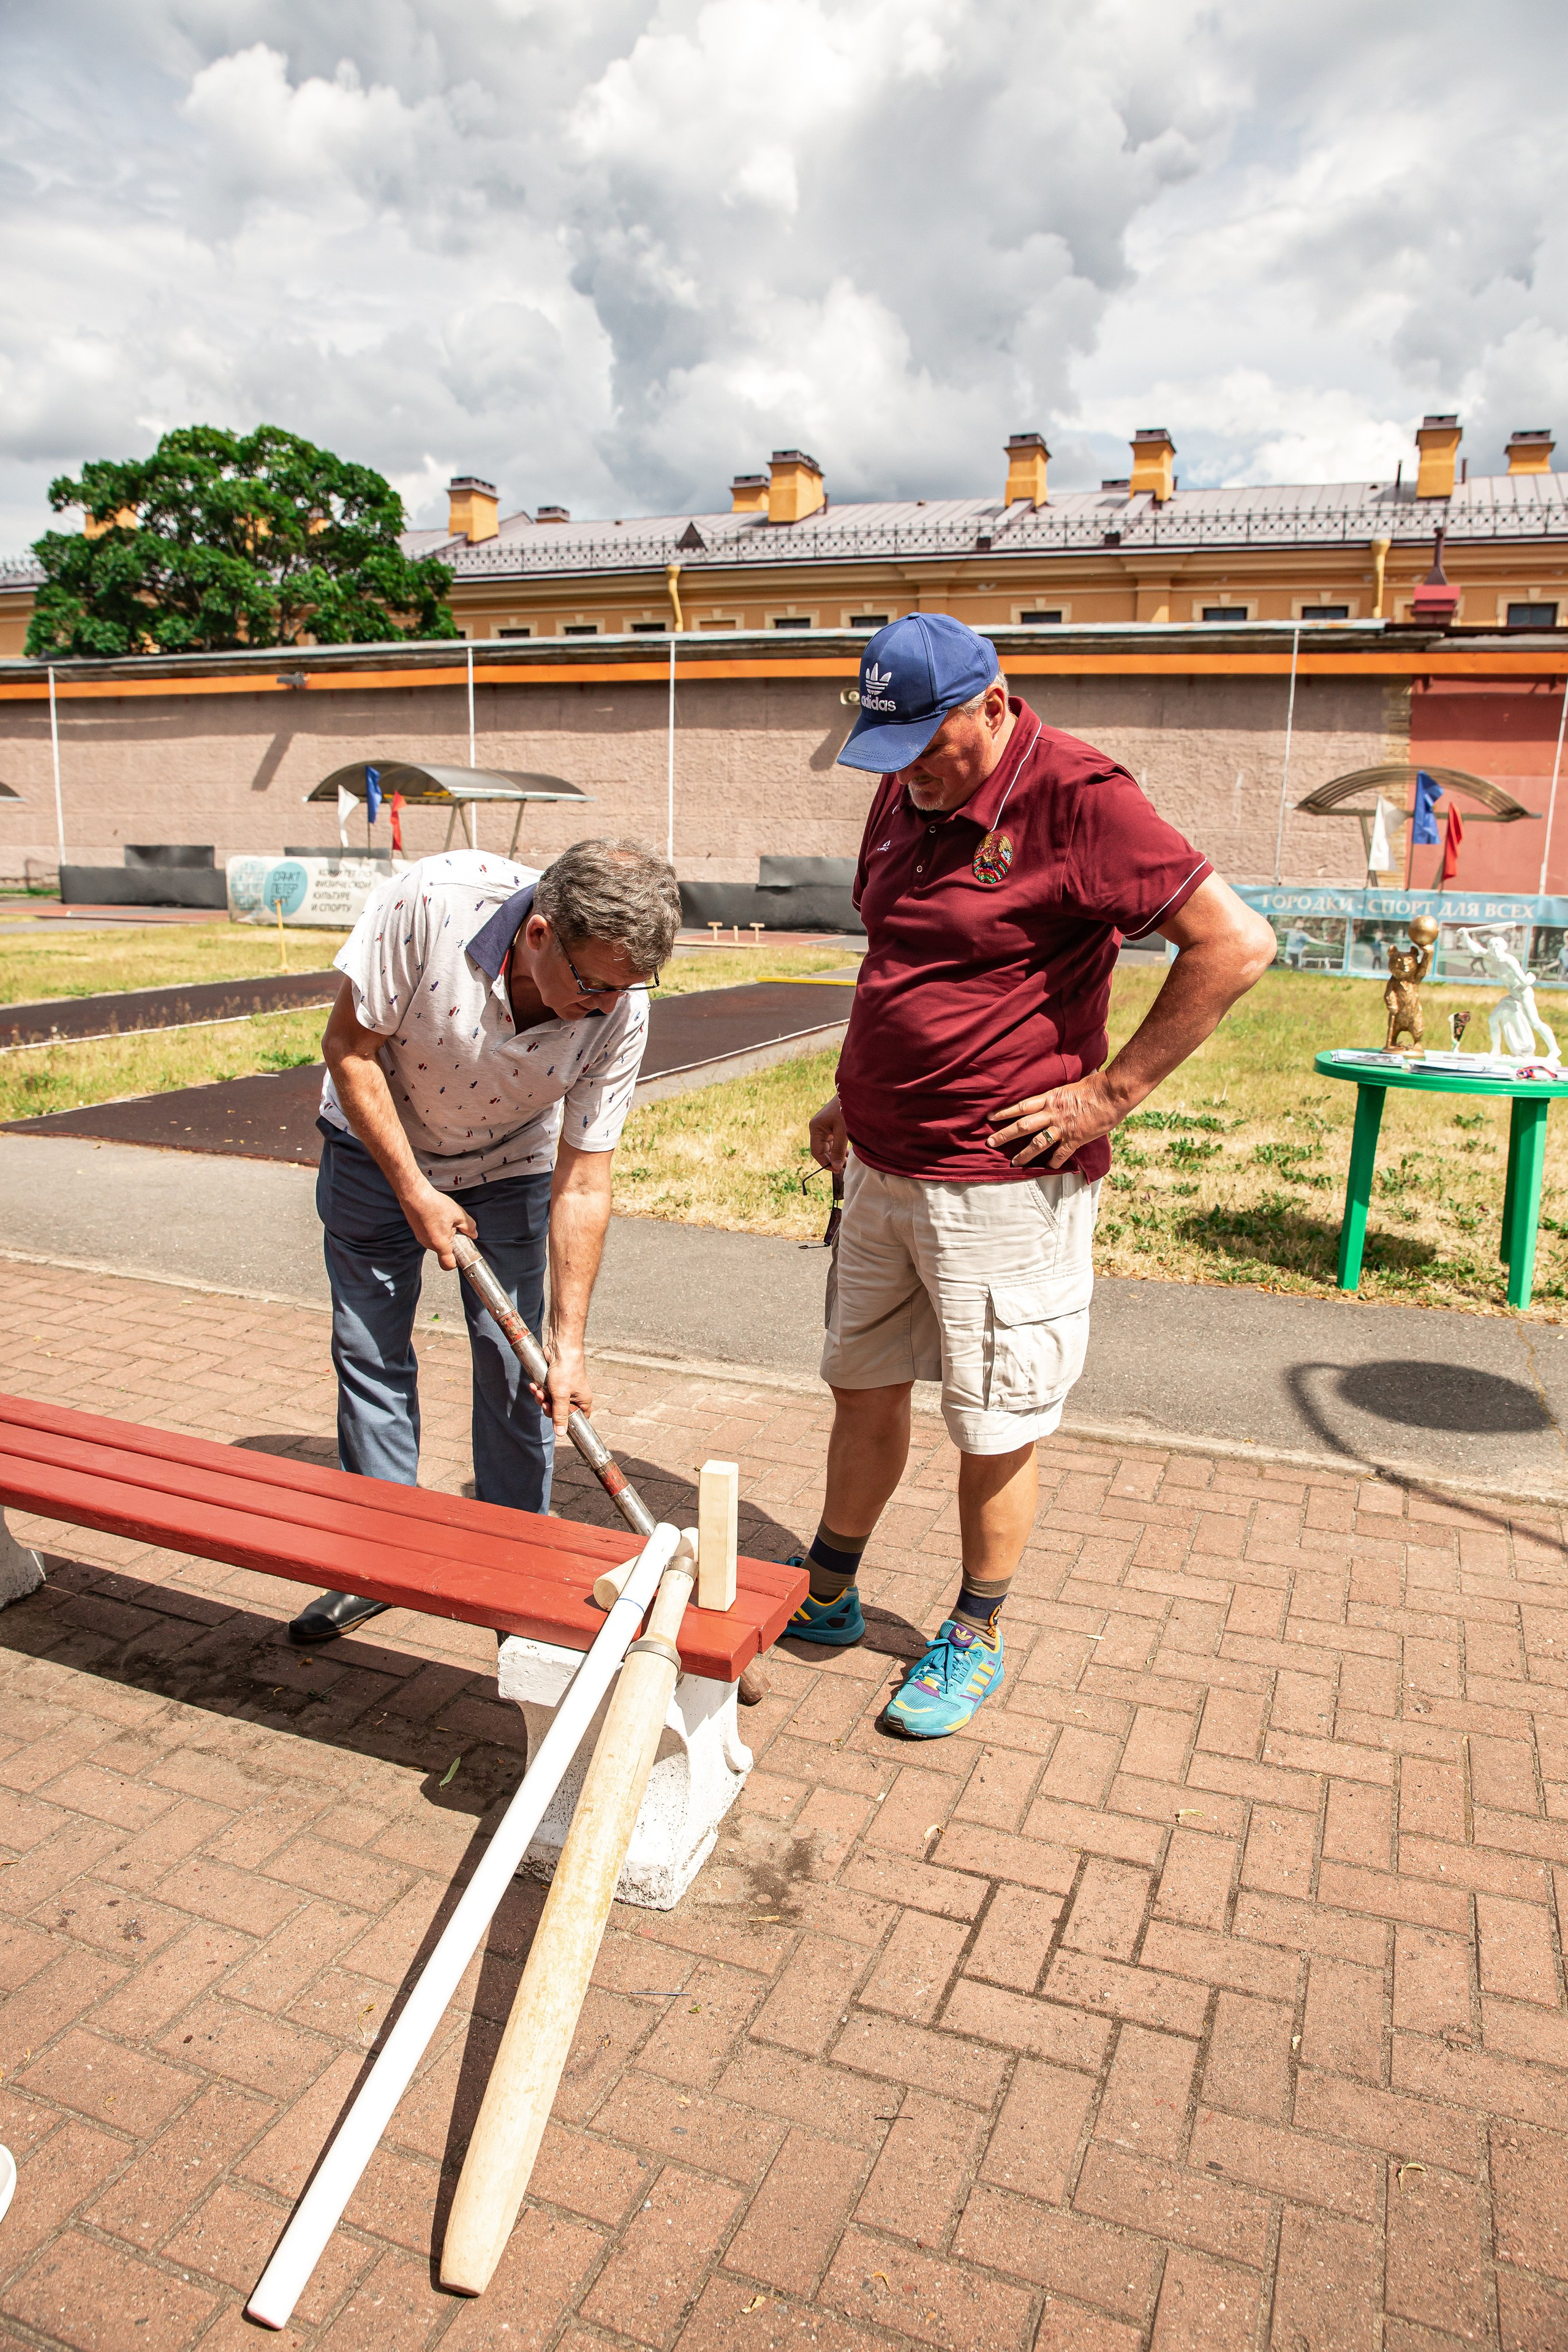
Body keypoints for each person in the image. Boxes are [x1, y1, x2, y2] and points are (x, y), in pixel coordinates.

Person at [794, 614, 1275, 1735]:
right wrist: (854, 1090)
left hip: (1001, 1185)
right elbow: (905, 955)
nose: (908, 769)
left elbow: (1236, 943)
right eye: (888, 745)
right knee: (859, 1382)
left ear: (994, 704)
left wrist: (1109, 1094)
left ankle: (974, 1631)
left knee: (994, 1416)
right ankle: (830, 1591)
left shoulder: (1079, 796)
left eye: (927, 743)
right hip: (883, 1162)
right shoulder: (903, 778)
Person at [287, 837, 680, 1643]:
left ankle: (517, 1572)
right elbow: (348, 1050)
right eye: (597, 983)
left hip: (511, 1163)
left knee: (521, 1372)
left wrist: (568, 1345)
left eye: (629, 985)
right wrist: (415, 1192)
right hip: (377, 1145)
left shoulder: (619, 1007)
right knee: (371, 1348)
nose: (610, 1004)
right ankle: (380, 1558)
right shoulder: (428, 904)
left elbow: (585, 1177)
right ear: (539, 934)